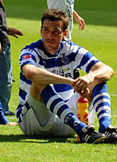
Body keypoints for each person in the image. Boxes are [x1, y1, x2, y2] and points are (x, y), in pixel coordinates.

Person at [16, 9, 117, 143]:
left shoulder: (71, 50)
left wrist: (89, 77)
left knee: (98, 78)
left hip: (66, 121)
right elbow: (30, 72)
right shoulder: (31, 50)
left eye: (55, 32)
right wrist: (70, 81)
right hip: (35, 122)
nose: (49, 36)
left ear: (64, 33)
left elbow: (107, 70)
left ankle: (106, 128)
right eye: (46, 30)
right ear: (40, 30)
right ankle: (81, 129)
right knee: (39, 81)